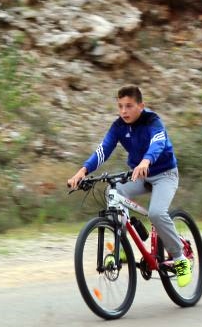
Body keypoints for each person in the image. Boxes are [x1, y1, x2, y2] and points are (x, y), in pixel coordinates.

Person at [67, 85, 191, 287]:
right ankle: (122, 245)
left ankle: (180, 259)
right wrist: (83, 171)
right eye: (120, 106)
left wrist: (146, 161)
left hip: (165, 174)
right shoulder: (119, 126)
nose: (124, 111)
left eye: (129, 106)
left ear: (141, 106)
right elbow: (103, 149)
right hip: (139, 175)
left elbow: (158, 143)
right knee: (114, 192)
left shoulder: (153, 121)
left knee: (156, 213)